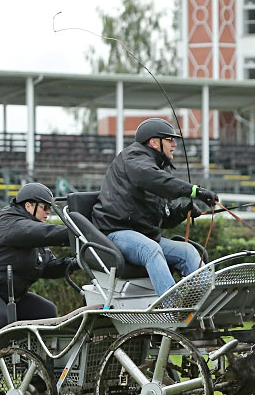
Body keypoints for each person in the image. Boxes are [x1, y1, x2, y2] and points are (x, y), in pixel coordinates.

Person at [91, 118, 218, 296]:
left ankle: (208, 301)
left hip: (146, 237)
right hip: (115, 233)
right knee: (150, 249)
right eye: (169, 139)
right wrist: (194, 191)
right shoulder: (134, 158)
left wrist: (182, 212)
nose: (174, 144)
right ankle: (171, 305)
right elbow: (152, 177)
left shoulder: (158, 168)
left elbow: (162, 219)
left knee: (188, 251)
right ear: (153, 142)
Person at [0, 183, 75, 348]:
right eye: (45, 207)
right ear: (28, 206)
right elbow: (46, 233)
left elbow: (49, 267)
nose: (48, 212)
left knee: (46, 312)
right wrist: (82, 233)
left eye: (50, 208)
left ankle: (35, 367)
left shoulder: (33, 237)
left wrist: (79, 261)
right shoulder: (13, 224)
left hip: (3, 293)